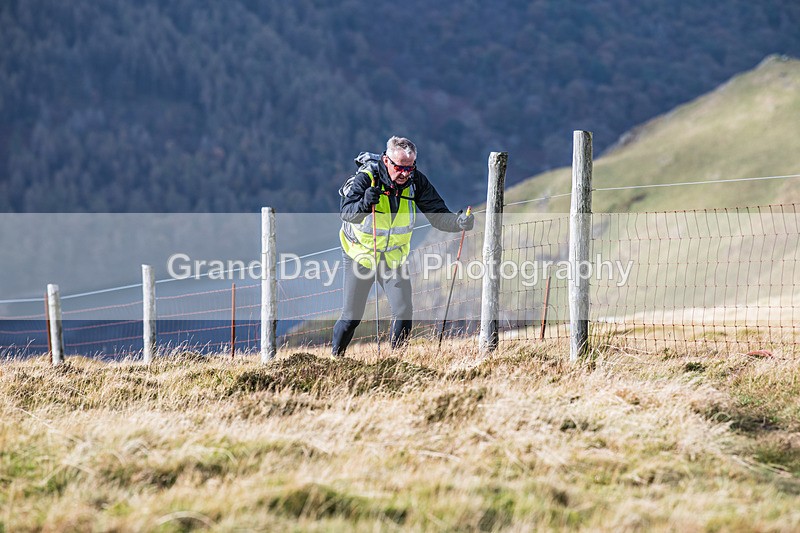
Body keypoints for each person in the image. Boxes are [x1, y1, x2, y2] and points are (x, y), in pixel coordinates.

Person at [332, 136, 474, 357]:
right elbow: (346, 213)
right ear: (386, 160)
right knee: (351, 317)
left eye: (410, 167)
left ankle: (398, 360)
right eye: (400, 167)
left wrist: (458, 223)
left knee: (403, 311)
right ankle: (336, 359)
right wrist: (364, 202)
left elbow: (438, 215)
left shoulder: (416, 181)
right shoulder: (366, 179)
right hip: (360, 255)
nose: (405, 173)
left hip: (393, 259)